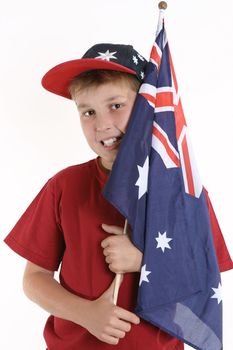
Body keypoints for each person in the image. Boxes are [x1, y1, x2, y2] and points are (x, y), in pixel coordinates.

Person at [4, 43, 233, 350]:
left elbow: (206, 278)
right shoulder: (64, 186)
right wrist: (87, 315)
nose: (102, 125)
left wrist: (146, 261)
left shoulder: (183, 189)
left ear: (145, 107)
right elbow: (34, 280)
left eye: (115, 105)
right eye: (88, 112)